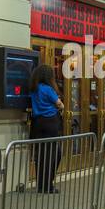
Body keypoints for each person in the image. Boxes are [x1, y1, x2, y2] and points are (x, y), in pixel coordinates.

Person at [28, 63, 64, 193]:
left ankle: (41, 185)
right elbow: (60, 105)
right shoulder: (48, 89)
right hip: (50, 123)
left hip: (37, 123)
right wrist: (60, 105)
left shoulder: (34, 89)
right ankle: (48, 185)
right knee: (55, 154)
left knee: (41, 155)